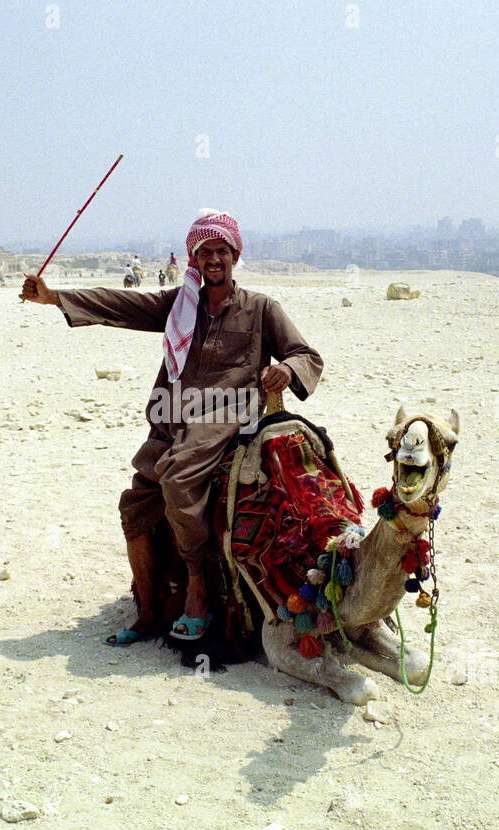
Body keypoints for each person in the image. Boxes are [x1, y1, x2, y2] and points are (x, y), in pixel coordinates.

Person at [20, 210, 322, 644]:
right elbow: (121, 304)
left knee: (178, 476)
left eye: (221, 250)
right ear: (193, 259)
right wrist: (54, 298)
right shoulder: (179, 305)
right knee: (136, 505)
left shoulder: (261, 309)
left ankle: (197, 585)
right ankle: (148, 610)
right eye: (204, 252)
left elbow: (306, 355)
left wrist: (288, 371)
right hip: (172, 413)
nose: (213, 258)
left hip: (228, 411)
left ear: (235, 256)